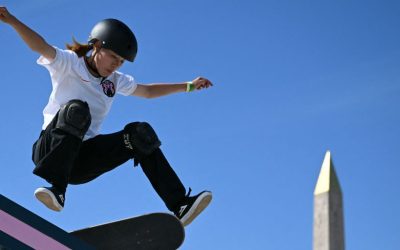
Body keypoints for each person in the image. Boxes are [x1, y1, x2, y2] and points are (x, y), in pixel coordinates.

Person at [0, 6, 212, 227]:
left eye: (120, 61)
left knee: (139, 134)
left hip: (82, 162)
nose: (115, 65)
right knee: (77, 110)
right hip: (50, 150)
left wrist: (188, 86)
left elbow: (147, 91)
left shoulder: (116, 81)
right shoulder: (70, 63)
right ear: (97, 46)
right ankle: (57, 189)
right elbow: (40, 46)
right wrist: (13, 21)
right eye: (113, 57)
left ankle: (179, 204)